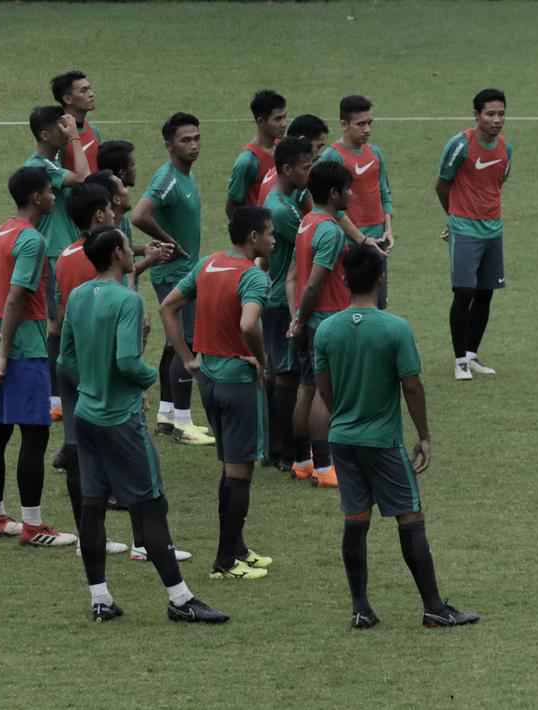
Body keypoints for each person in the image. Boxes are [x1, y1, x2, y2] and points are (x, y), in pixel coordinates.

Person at [59, 226, 227, 623]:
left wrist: (92, 384)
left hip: (85, 415)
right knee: (151, 506)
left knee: (94, 506)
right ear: (119, 253)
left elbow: (65, 361)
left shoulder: (78, 296)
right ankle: (180, 599)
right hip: (120, 419)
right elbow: (127, 363)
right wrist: (150, 377)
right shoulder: (128, 301)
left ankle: (100, 598)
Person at [315, 243, 478, 629]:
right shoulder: (395, 329)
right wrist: (424, 435)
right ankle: (434, 607)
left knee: (355, 518)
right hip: (382, 441)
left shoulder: (326, 329)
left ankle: (360, 608)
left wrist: (344, 415)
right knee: (410, 516)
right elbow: (412, 387)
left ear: (343, 280)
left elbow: (324, 388)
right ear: (381, 279)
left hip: (343, 438)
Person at [160, 206, 275, 580]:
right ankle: (225, 563)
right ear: (254, 238)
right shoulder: (253, 276)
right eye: (270, 233)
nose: (274, 239)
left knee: (232, 469)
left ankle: (238, 548)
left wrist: (187, 357)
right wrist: (261, 359)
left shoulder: (208, 264)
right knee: (240, 475)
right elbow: (248, 324)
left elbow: (168, 306)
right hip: (237, 382)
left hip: (207, 379)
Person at [57, 183, 172, 553]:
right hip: (105, 383)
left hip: (89, 379)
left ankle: (104, 553)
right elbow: (99, 311)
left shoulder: (73, 254)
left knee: (86, 459)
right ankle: (137, 544)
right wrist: (130, 382)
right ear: (99, 217)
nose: (116, 209)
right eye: (110, 206)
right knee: (122, 465)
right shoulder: (87, 261)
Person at [0, 166, 77, 547]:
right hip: (25, 350)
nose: (54, 196)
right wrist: (6, 351)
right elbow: (16, 297)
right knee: (34, 435)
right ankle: (33, 527)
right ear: (37, 197)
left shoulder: (0, 231)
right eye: (51, 191)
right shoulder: (31, 239)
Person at [131, 112, 214, 445]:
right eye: (185, 140)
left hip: (184, 270)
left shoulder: (186, 176)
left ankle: (167, 415)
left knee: (173, 342)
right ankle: (183, 422)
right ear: (169, 145)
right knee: (188, 343)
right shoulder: (167, 178)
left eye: (196, 138)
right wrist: (169, 241)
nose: (193, 145)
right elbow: (139, 215)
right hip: (174, 273)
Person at [435, 88, 512, 380]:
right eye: (490, 114)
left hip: (493, 228)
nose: (496, 119)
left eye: (501, 114)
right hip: (465, 228)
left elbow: (497, 183)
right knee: (464, 291)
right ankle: (459, 361)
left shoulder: (506, 148)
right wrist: (453, 218)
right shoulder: (460, 145)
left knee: (485, 293)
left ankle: (471, 354)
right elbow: (442, 184)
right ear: (476, 115)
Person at [287, 162, 354, 488]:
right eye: (348, 188)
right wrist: (301, 321)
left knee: (308, 388)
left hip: (309, 319)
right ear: (334, 192)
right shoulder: (330, 230)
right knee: (325, 395)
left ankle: (302, 462)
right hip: (326, 320)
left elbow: (294, 277)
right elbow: (313, 284)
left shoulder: (307, 223)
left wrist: (298, 318)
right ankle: (325, 467)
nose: (351, 194)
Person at [25, 105, 90, 421]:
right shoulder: (40, 166)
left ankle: (66, 390)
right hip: (53, 254)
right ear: (45, 134)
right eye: (60, 128)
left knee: (67, 321)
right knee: (57, 322)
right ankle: (54, 397)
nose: (66, 132)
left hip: (65, 252)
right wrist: (76, 139)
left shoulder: (51, 162)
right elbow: (83, 178)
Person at [259, 136, 314, 471]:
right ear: (287, 168)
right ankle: (286, 451)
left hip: (275, 294)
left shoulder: (283, 200)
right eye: (306, 168)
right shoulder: (283, 210)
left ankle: (274, 448)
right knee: (286, 375)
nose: (309, 172)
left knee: (278, 372)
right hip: (282, 299)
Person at [319, 95, 395, 309]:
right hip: (351, 247)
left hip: (377, 243)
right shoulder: (333, 157)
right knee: (351, 308)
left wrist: (388, 230)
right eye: (361, 124)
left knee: (377, 307)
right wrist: (361, 239)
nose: (367, 129)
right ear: (344, 125)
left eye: (370, 123)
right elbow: (330, 208)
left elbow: (384, 193)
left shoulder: (375, 153)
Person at [227, 89, 286, 216]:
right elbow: (232, 207)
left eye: (284, 117)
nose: (284, 124)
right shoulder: (248, 161)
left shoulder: (283, 148)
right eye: (277, 119)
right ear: (261, 121)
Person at [51, 71, 101, 173]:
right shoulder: (58, 134)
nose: (91, 94)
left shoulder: (94, 130)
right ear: (68, 99)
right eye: (83, 91)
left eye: (90, 88)